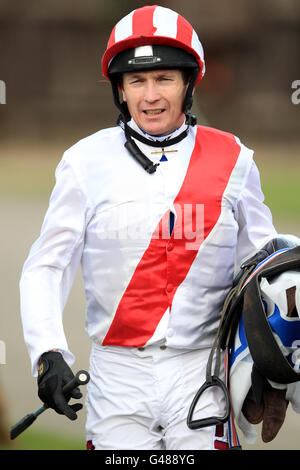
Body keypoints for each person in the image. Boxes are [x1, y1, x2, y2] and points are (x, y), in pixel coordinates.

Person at [19, 5, 295, 450]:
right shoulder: (83, 163)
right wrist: (48, 353)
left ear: (188, 84)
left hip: (203, 371)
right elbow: (45, 267)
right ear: (120, 90)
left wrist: (275, 355)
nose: (150, 95)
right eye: (137, 81)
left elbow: (264, 264)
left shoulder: (235, 159)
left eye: (164, 79)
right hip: (117, 376)